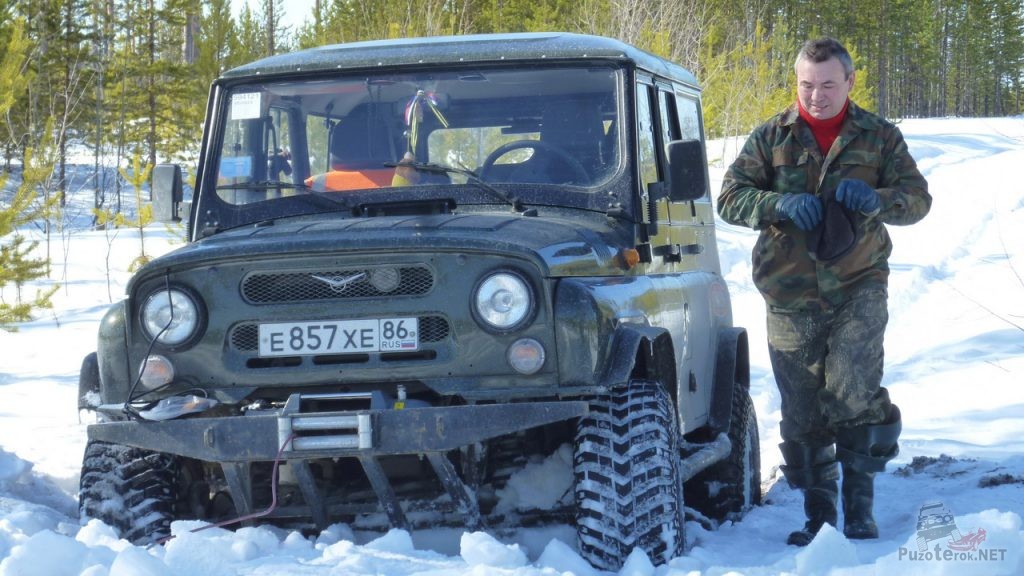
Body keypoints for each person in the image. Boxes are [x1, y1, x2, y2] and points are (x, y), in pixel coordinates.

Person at [717, 37, 931, 546]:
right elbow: (729, 198)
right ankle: (819, 516)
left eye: (827, 85)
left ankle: (859, 506)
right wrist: (777, 205)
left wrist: (876, 199)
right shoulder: (771, 137)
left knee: (853, 391)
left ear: (850, 83)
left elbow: (918, 199)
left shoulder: (879, 136)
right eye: (806, 85)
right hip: (788, 293)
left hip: (859, 285)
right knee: (802, 409)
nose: (815, 96)